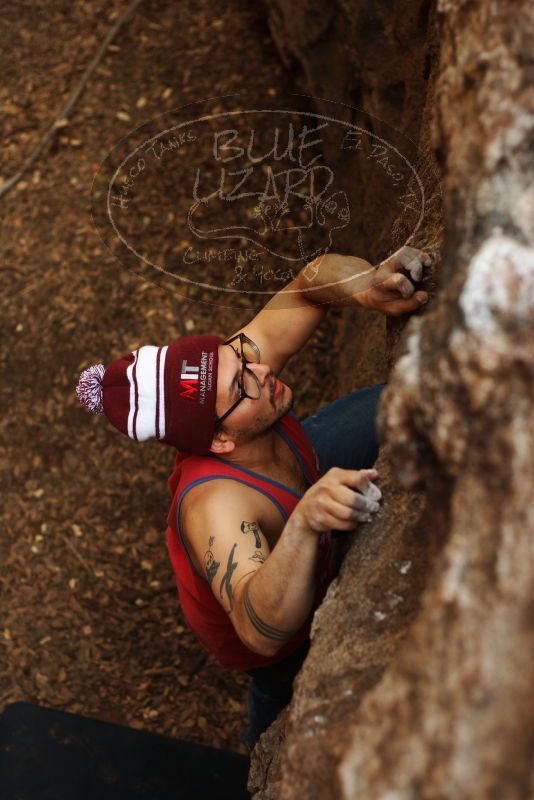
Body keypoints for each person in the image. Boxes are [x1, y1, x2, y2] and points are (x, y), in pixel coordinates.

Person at [76, 247, 430, 750]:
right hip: (276, 625)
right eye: (241, 385)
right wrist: (306, 523)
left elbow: (310, 281)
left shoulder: (233, 381)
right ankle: (260, 748)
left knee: (394, 402)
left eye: (240, 357)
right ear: (218, 441)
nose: (261, 372)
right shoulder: (217, 509)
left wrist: (366, 285)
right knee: (281, 694)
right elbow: (259, 628)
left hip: (298, 466)